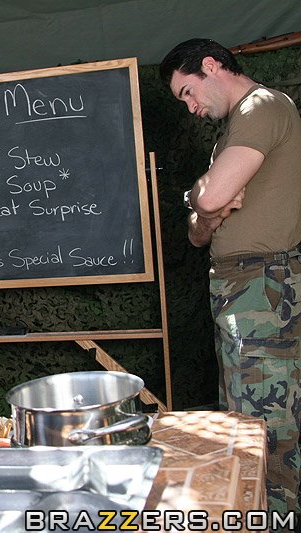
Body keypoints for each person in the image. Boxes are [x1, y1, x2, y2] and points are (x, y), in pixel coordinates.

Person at [160, 38, 301, 521]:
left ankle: (276, 521)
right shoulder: (234, 130)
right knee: (242, 419)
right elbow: (198, 230)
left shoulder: (263, 107)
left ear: (211, 65)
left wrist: (203, 199)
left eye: (188, 92)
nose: (192, 107)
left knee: (267, 426)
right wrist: (205, 204)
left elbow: (210, 197)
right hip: (239, 287)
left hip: (263, 284)